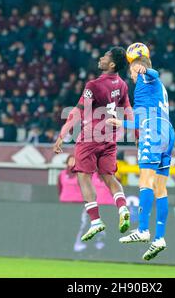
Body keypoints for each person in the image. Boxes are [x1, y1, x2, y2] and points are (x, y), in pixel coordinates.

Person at [53, 47, 132, 243]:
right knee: (108, 177)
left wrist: (63, 134)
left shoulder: (94, 85)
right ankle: (122, 207)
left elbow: (78, 111)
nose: (101, 57)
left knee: (83, 176)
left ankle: (96, 221)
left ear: (112, 64)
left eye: (105, 56)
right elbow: (128, 109)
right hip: (110, 139)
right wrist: (136, 132)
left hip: (90, 137)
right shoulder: (122, 85)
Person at [107, 54, 175, 261]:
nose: (132, 78)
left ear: (136, 68)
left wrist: (144, 70)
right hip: (166, 132)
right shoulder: (159, 90)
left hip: (153, 132)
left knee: (145, 181)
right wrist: (121, 124)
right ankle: (159, 238)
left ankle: (143, 229)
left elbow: (153, 74)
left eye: (132, 73)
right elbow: (138, 121)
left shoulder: (146, 78)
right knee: (160, 188)